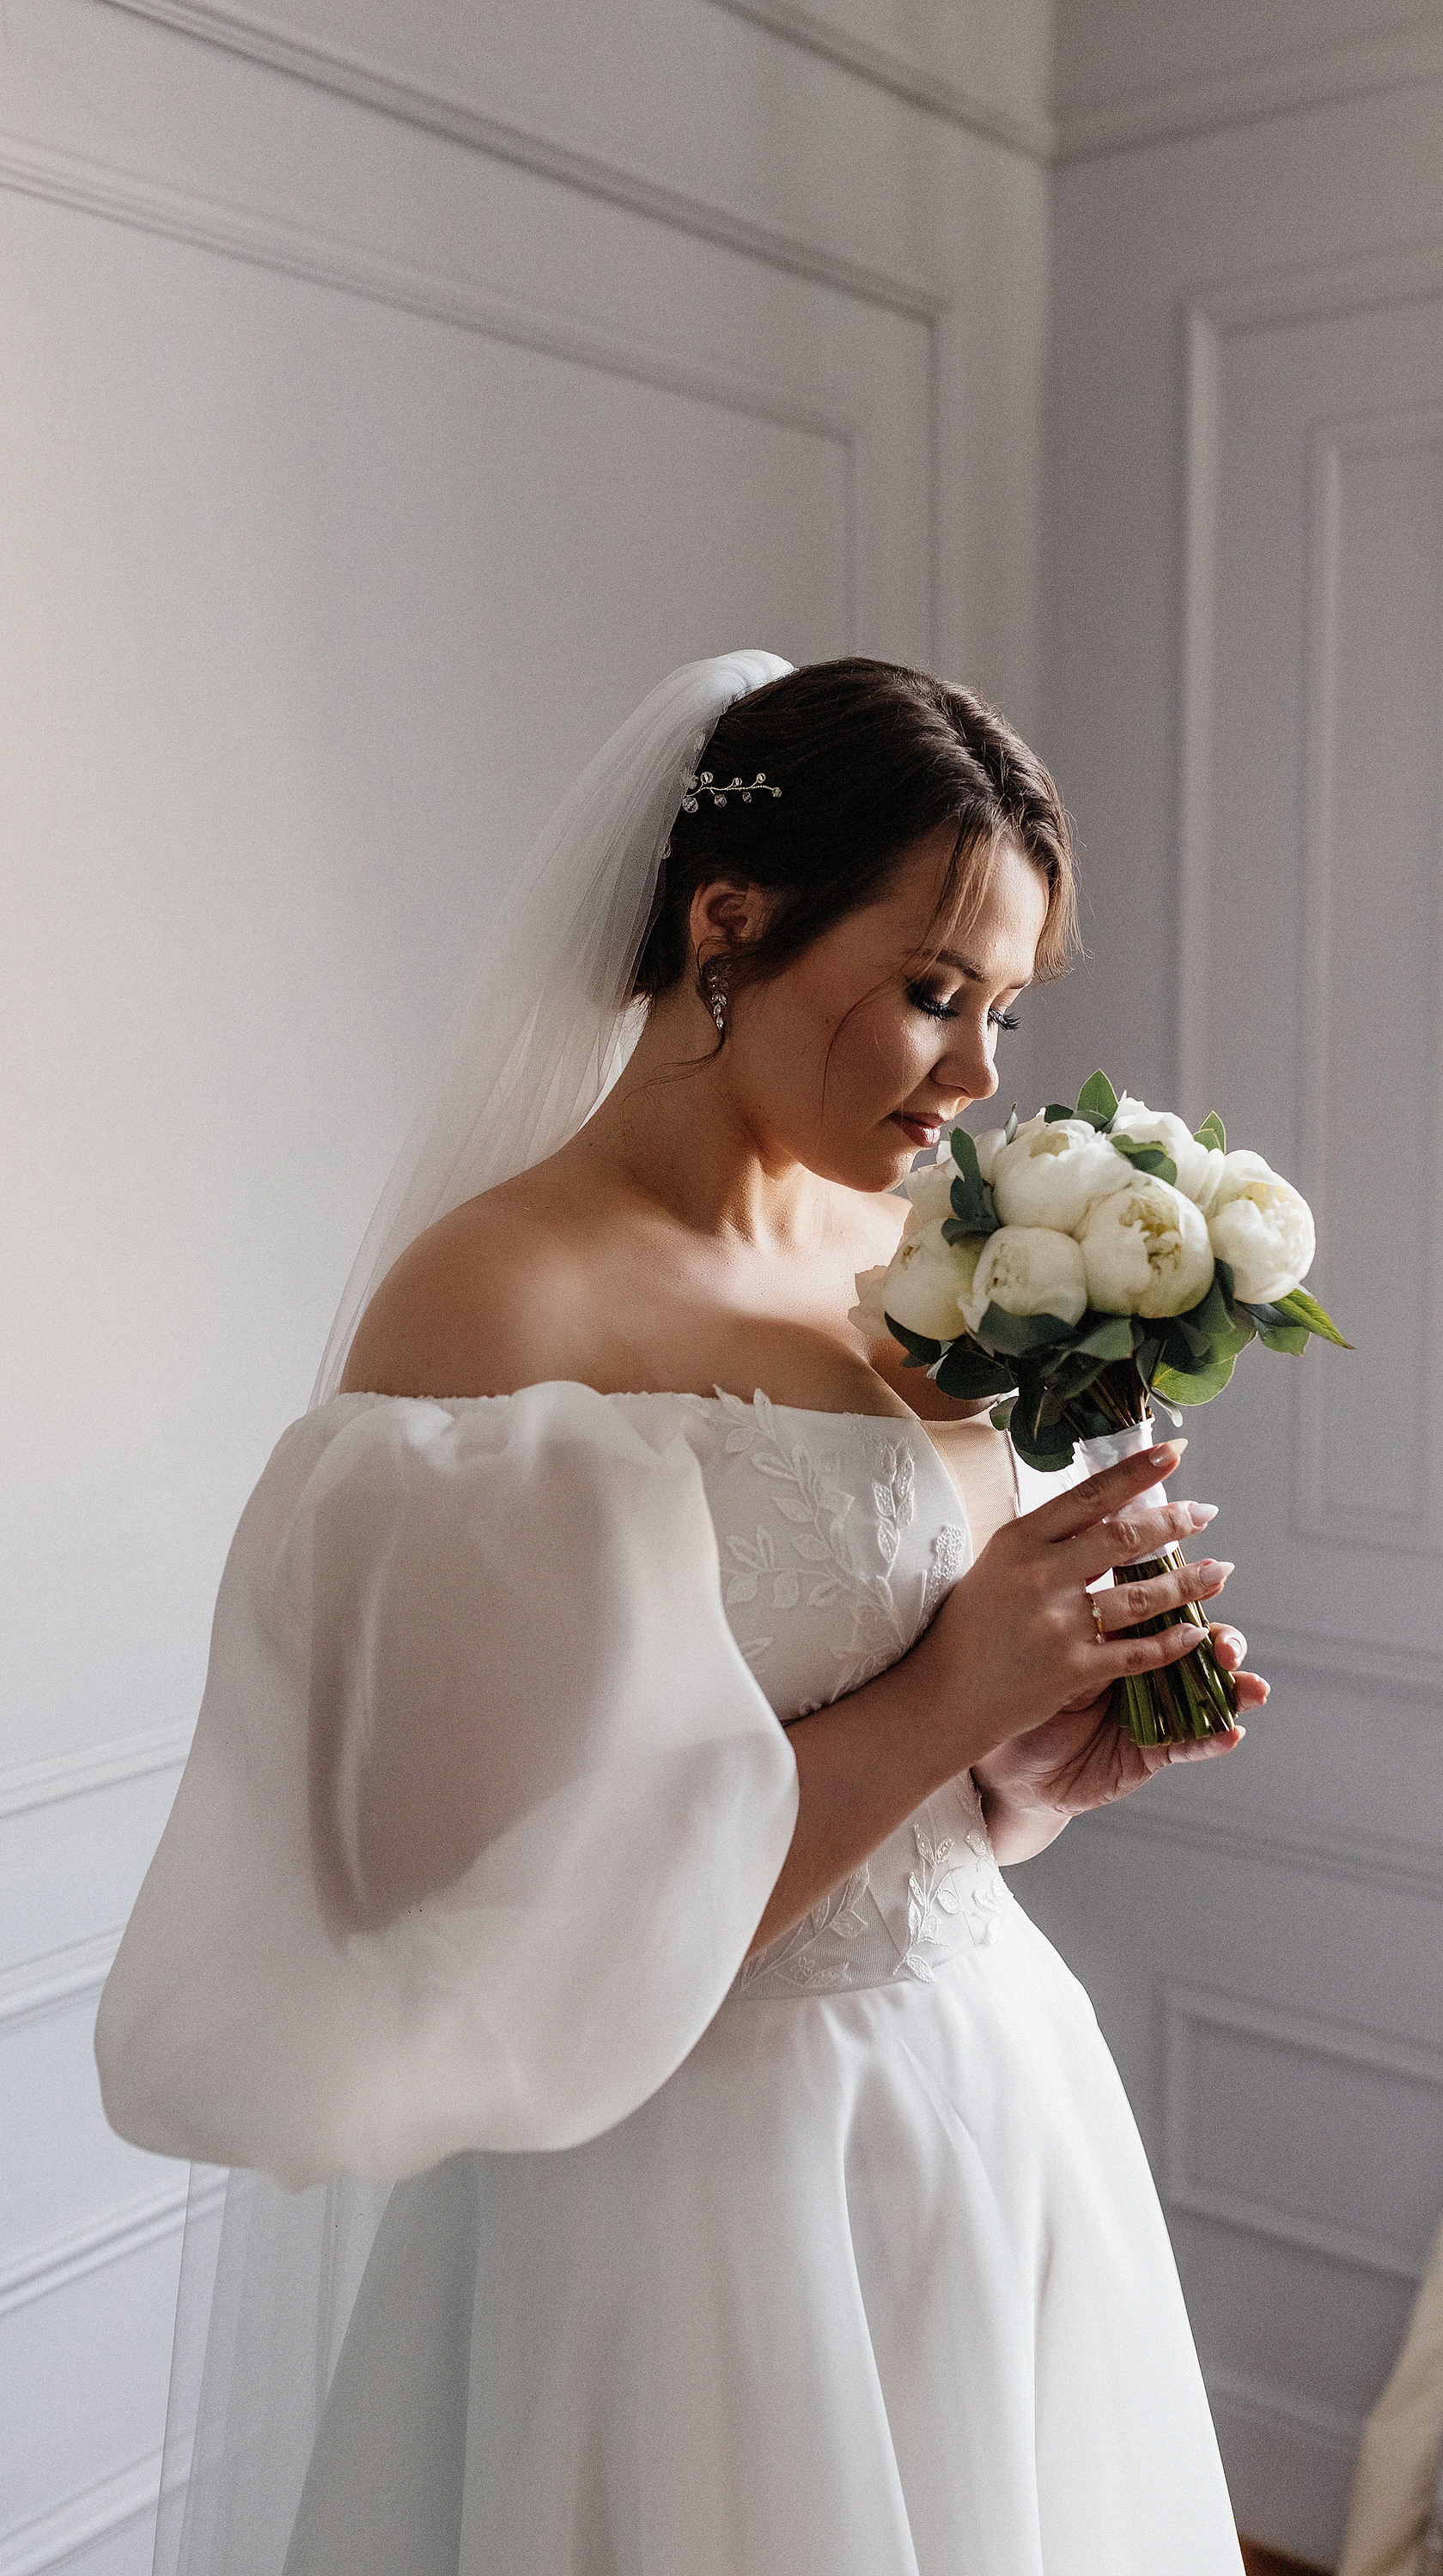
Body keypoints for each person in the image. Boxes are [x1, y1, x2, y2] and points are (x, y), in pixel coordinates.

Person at [96, 651, 1267, 2575]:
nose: (980, 1077)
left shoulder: (926, 1255)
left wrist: (1035, 1761)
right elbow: (461, 1922)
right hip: (686, 2206)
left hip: (988, 2105)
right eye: (928, 992)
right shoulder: (494, 1315)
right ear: (726, 922)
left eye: (1002, 1007)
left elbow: (924, 1772)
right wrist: (952, 1688)